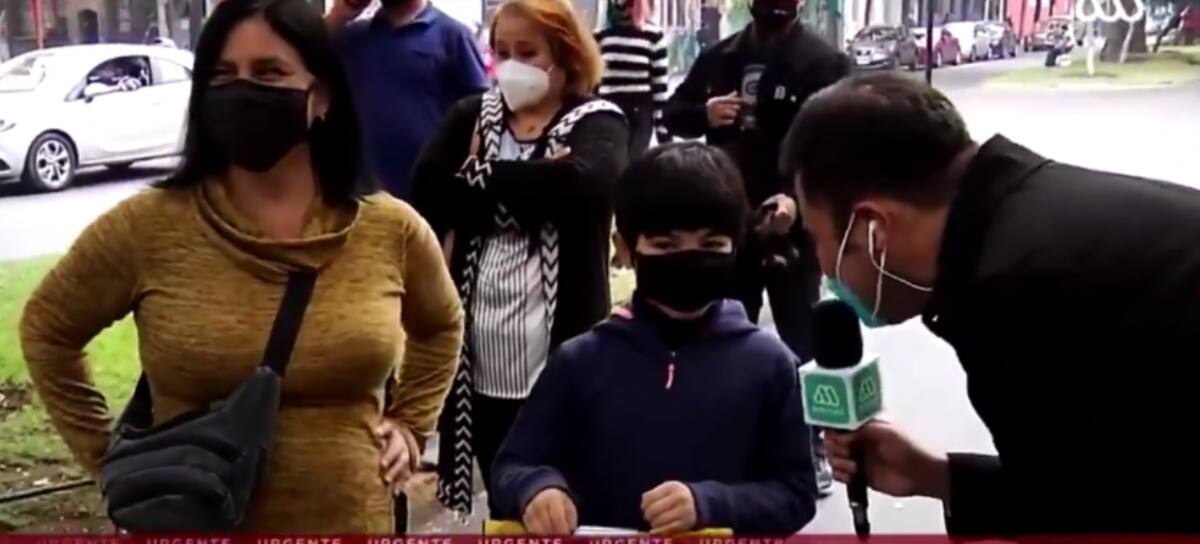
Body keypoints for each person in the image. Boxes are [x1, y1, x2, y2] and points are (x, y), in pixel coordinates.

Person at [19, 0, 463, 532]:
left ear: (321, 96)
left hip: (352, 522)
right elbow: (47, 329)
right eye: (223, 75)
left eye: (269, 72)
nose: (244, 91)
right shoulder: (147, 227)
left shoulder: (389, 228)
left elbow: (442, 324)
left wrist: (412, 424)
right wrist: (110, 460)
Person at [782, 73, 1200, 535]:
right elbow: (1090, 486)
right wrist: (937, 476)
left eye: (816, 238)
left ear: (873, 228)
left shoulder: (1014, 294)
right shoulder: (1035, 208)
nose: (823, 266)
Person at [490, 142, 817, 535]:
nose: (690, 260)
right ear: (626, 249)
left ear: (735, 247)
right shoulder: (580, 361)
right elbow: (513, 464)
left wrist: (709, 504)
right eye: (665, 245)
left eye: (711, 245)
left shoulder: (770, 364)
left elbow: (796, 494)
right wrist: (537, 489)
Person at [409, 0, 629, 518]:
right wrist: (538, 182)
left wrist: (475, 176)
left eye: (528, 53)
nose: (512, 65)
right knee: (504, 493)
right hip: (481, 350)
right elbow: (426, 192)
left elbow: (585, 186)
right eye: (502, 52)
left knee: (563, 495)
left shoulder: (598, 122)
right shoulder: (472, 115)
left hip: (559, 350)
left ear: (565, 56)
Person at [663, 0, 848, 496]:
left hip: (792, 226)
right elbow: (674, 113)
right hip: (729, 225)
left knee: (803, 345)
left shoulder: (824, 63)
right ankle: (731, 443)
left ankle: (811, 446)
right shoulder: (721, 57)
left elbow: (840, 149)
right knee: (722, 338)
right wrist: (704, 113)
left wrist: (798, 203)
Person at [325, 0, 488, 199]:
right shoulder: (354, 37)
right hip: (366, 194)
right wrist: (339, 14)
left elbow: (481, 114)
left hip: (432, 192)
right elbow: (301, 52)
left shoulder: (453, 36)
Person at [595, 0, 670, 156]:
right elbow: (592, 82)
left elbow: (660, 89)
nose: (624, 9)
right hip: (607, 110)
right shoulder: (601, 35)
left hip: (639, 112)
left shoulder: (653, 36)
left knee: (634, 162)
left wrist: (664, 131)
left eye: (629, 4)